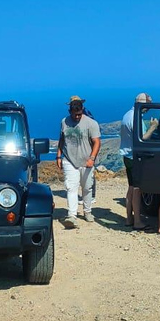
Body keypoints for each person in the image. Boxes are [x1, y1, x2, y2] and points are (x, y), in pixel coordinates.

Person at [57, 96, 101, 228]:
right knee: (71, 187)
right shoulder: (64, 122)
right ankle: (72, 215)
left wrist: (92, 158)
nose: (77, 117)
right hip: (69, 159)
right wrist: (58, 156)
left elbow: (97, 142)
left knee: (87, 188)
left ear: (82, 110)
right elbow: (62, 140)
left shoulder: (91, 123)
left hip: (86, 160)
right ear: (70, 112)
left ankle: (87, 211)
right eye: (75, 115)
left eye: (79, 114)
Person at [119, 93, 158, 229]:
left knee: (131, 188)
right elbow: (142, 138)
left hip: (127, 156)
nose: (148, 108)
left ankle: (129, 218)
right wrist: (153, 127)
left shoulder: (127, 115)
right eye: (147, 104)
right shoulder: (136, 118)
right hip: (134, 157)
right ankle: (137, 222)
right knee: (137, 189)